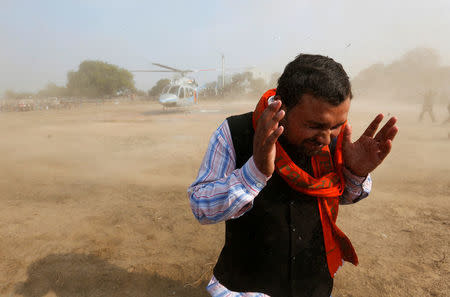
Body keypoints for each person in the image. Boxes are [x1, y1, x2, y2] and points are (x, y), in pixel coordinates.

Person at [188, 54, 398, 297]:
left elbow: (342, 196)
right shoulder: (234, 132)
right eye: (315, 125)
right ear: (281, 106)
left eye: (337, 125)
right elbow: (201, 208)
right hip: (242, 290)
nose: (327, 137)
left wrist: (355, 173)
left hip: (314, 286)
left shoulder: (335, 141)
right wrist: (253, 172)